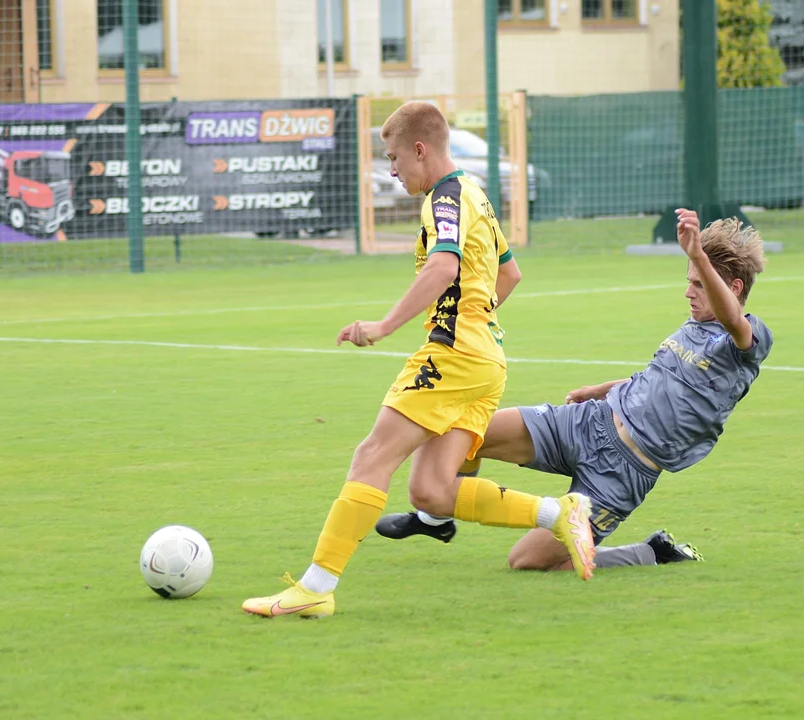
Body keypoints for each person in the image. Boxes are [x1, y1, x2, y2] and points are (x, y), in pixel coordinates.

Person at [242, 102, 597, 619]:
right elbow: (511, 274)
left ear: (420, 149)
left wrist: (384, 326)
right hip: (487, 359)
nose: (391, 169)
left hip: (453, 355)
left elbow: (445, 265)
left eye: (392, 157)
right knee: (430, 491)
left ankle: (316, 587)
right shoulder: (474, 190)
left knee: (372, 456)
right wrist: (477, 319)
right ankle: (559, 512)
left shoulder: (445, 196)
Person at [377, 208, 772, 572]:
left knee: (527, 562)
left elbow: (733, 320)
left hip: (623, 472)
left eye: (699, 284)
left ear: (733, 287)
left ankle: (652, 552)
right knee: (466, 431)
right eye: (689, 282)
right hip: (588, 423)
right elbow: (663, 381)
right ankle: (437, 520)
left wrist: (699, 255)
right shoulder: (690, 327)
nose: (688, 292)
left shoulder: (747, 341)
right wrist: (601, 389)